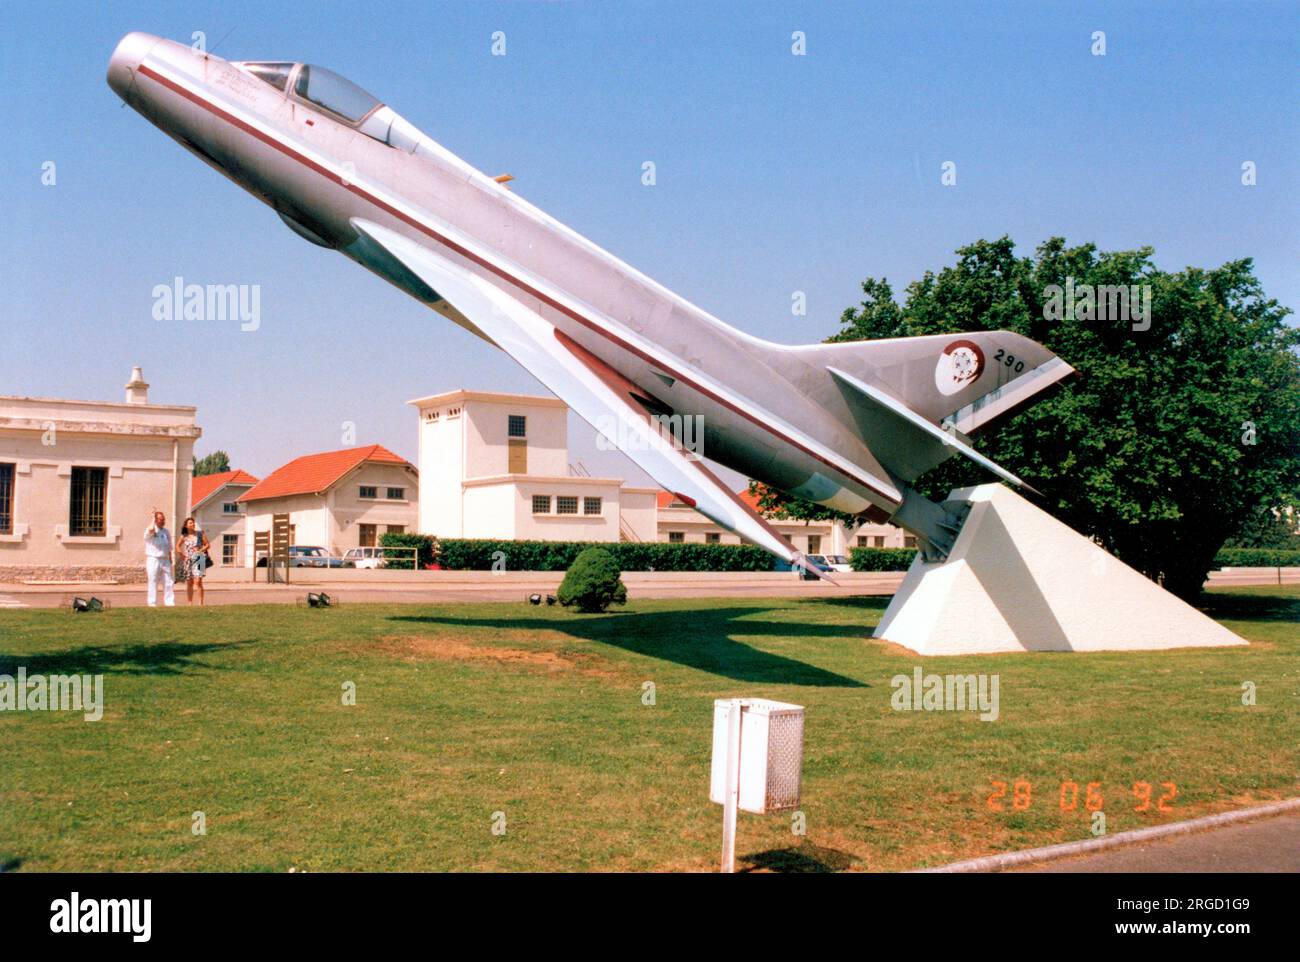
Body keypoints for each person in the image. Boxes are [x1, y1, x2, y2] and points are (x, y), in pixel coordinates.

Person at [175, 517, 212, 606]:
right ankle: (190, 603)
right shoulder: (184, 536)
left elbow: (207, 545)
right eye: (190, 523)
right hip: (188, 560)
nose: (193, 524)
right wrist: (181, 554)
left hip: (199, 558)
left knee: (198, 581)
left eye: (193, 522)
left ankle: (200, 603)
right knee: (189, 582)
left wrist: (200, 550)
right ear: (186, 525)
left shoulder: (200, 534)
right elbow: (177, 546)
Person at [144, 510, 175, 607]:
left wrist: (170, 558)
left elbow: (169, 546)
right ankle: (152, 602)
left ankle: (169, 602)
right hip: (153, 558)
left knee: (168, 581)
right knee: (153, 580)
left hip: (165, 559)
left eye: (164, 520)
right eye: (161, 520)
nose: (163, 521)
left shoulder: (166, 532)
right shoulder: (151, 529)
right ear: (156, 520)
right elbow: (151, 530)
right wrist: (153, 519)